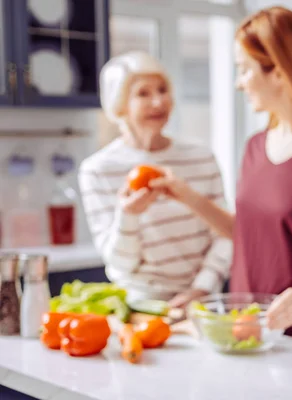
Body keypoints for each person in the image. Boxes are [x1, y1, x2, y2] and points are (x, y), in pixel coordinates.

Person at [150, 6, 292, 348]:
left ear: (279, 70)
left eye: (244, 70)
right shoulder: (255, 146)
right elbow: (246, 233)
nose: (238, 83)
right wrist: (184, 195)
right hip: (243, 329)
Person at [78, 51, 232, 307]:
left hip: (203, 301)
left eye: (163, 90)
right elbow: (119, 263)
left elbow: (225, 234)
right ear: (120, 105)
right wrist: (128, 216)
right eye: (143, 93)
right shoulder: (98, 170)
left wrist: (201, 290)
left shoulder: (201, 158)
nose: (159, 102)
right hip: (139, 304)